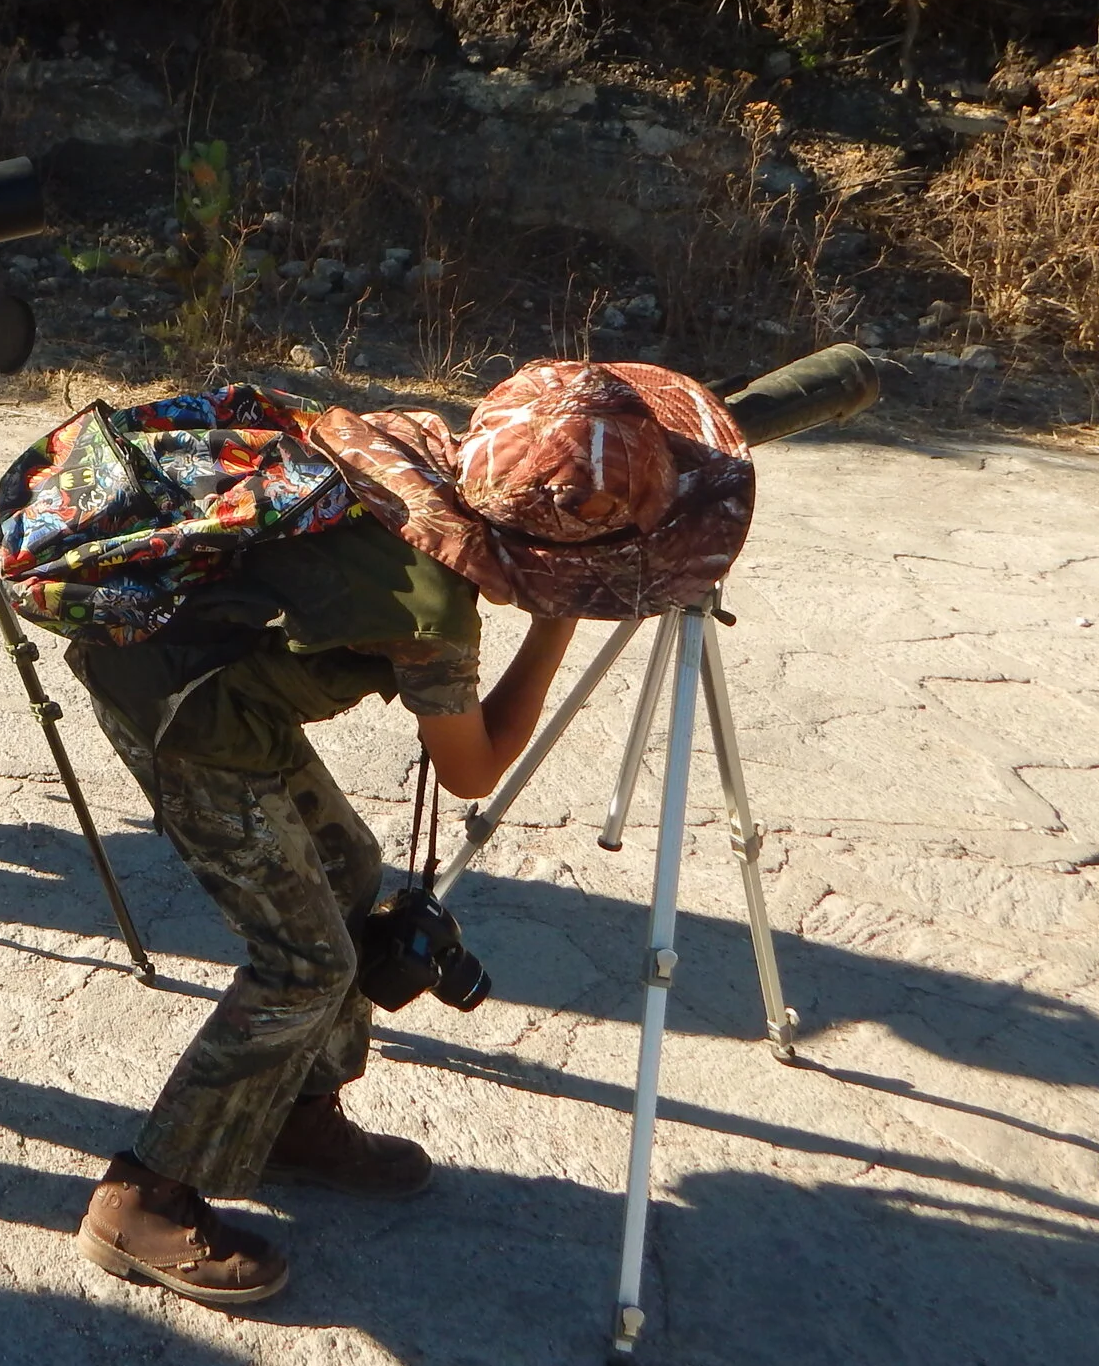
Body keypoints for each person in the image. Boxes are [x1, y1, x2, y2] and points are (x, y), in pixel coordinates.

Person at [59, 360, 755, 1306]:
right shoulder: (430, 611)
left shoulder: (415, 453)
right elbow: (473, 767)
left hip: (217, 679)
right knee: (302, 961)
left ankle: (299, 1115)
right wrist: (554, 624)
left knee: (349, 874)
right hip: (184, 713)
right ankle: (144, 1191)